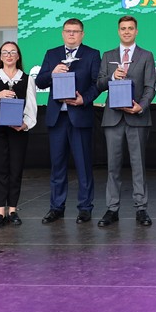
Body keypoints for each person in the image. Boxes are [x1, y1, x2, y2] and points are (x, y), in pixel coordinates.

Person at [34, 18, 100, 224]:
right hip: (57, 118)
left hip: (80, 116)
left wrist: (84, 99)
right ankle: (56, 207)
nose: (71, 34)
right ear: (63, 33)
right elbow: (40, 81)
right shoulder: (51, 54)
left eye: (75, 31)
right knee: (58, 165)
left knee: (83, 165)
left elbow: (98, 84)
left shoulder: (92, 54)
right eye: (68, 31)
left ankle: (85, 208)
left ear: (82, 34)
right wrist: (52, 73)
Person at [95, 15, 156, 227]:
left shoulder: (146, 55)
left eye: (131, 28)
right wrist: (112, 76)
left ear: (136, 31)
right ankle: (112, 209)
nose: (127, 31)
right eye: (123, 28)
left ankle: (141, 208)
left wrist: (141, 106)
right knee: (112, 166)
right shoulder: (108, 55)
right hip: (113, 118)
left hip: (137, 117)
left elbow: (150, 87)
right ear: (118, 31)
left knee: (138, 165)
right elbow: (99, 84)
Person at [0, 41, 37, 229]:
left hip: (17, 130)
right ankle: (0, 212)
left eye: (13, 52)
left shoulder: (27, 79)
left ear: (18, 56)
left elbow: (31, 107)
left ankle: (12, 210)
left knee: (15, 168)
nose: (9, 55)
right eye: (5, 52)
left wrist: (25, 124)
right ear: (0, 57)